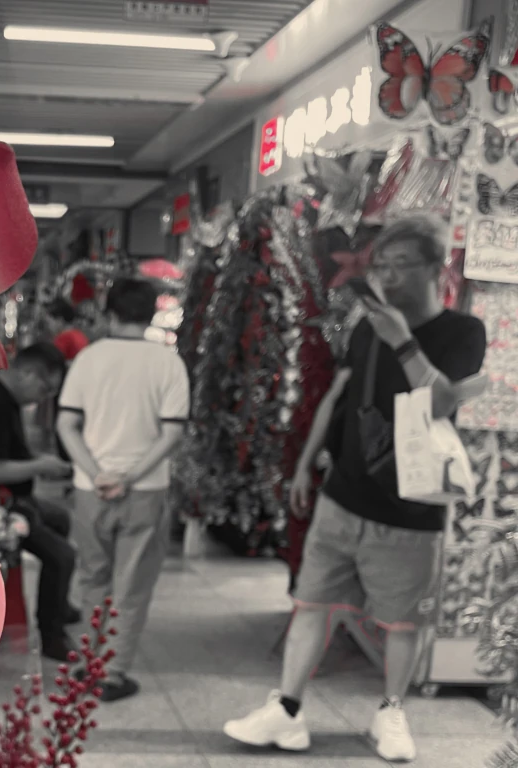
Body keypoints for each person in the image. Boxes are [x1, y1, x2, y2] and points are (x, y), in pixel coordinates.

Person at [223, 217, 486, 763]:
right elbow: (336, 396)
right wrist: (302, 466)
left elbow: (442, 402)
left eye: (402, 264)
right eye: (381, 265)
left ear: (438, 269)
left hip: (411, 507)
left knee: (402, 620)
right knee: (311, 603)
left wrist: (404, 343)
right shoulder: (365, 328)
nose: (388, 276)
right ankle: (287, 710)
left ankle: (391, 711)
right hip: (343, 494)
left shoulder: (463, 333)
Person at [56, 278, 189, 703]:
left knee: (93, 578)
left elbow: (66, 425)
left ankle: (87, 663)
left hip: (89, 490)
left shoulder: (88, 359)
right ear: (152, 314)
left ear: (108, 313)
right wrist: (129, 477)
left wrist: (97, 473)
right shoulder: (169, 363)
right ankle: (113, 674)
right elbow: (171, 435)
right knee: (131, 586)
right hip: (145, 489)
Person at [0, 341, 80, 661]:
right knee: (62, 556)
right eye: (44, 389)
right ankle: (52, 637)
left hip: (12, 496)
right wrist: (41, 465)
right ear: (26, 373)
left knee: (60, 518)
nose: (44, 399)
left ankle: (58, 603)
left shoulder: (4, 398)